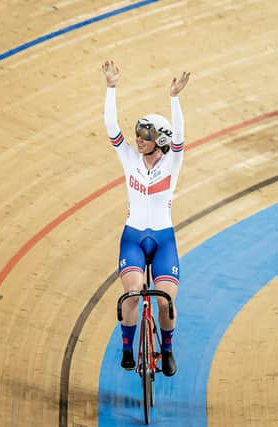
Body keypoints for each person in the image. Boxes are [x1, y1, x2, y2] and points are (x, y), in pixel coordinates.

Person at [102, 60, 190, 376]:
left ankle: (166, 351)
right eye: (138, 134)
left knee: (165, 301)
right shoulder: (128, 158)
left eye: (144, 136)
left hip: (163, 239)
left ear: (161, 141)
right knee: (133, 293)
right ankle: (128, 348)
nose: (137, 139)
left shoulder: (172, 163)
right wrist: (111, 88)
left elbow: (180, 136)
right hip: (134, 237)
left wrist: (174, 99)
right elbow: (112, 128)